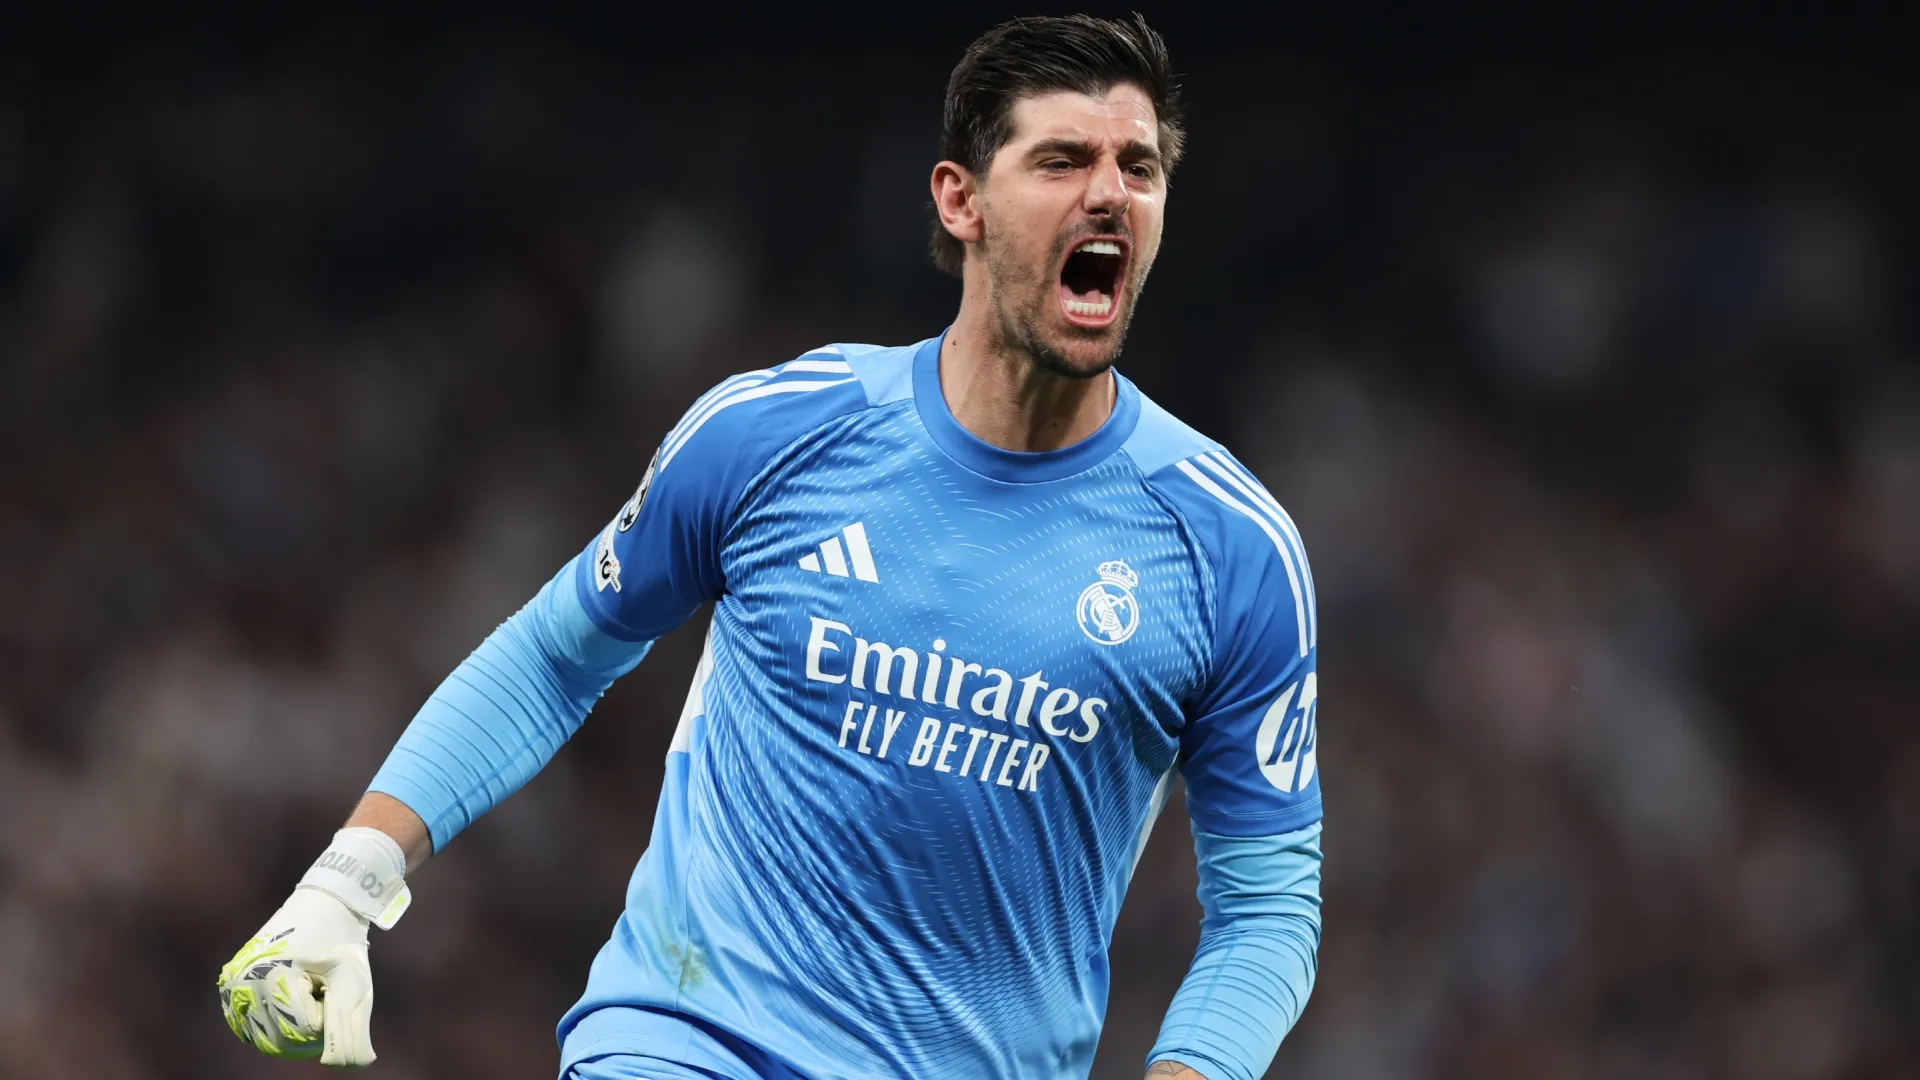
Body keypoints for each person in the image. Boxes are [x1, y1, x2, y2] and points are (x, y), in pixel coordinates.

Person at [217, 14, 1323, 1080]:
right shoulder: (777, 433)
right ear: (962, 199)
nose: (1108, 193)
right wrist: (350, 877)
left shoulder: (1228, 548)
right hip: (681, 1044)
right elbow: (558, 653)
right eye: (1064, 159)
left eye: (1138, 166)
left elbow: (1268, 906)